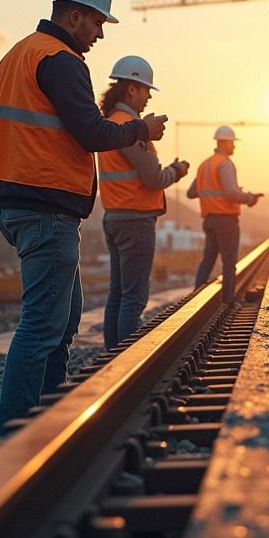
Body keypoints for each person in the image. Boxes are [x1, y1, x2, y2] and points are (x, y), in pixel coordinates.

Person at [0, 0, 168, 435]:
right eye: (97, 22)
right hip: (45, 206)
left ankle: (44, 418)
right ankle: (16, 436)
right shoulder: (61, 60)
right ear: (73, 15)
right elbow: (91, 132)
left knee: (63, 320)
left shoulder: (16, 55)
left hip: (23, 202)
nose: (100, 33)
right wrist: (141, 130)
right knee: (43, 325)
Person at [97, 56, 189, 349]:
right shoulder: (130, 128)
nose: (149, 96)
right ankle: (125, 361)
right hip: (135, 219)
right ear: (132, 88)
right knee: (134, 297)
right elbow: (152, 178)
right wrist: (177, 171)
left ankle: (112, 355)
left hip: (113, 216)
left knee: (118, 294)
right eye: (146, 90)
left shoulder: (110, 123)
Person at [187, 126, 263, 302]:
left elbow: (191, 192)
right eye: (233, 143)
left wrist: (212, 192)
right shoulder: (225, 163)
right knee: (229, 263)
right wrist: (249, 198)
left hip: (209, 220)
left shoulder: (205, 165)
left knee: (207, 260)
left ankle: (194, 296)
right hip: (226, 219)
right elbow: (230, 193)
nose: (234, 147)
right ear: (226, 142)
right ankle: (228, 299)